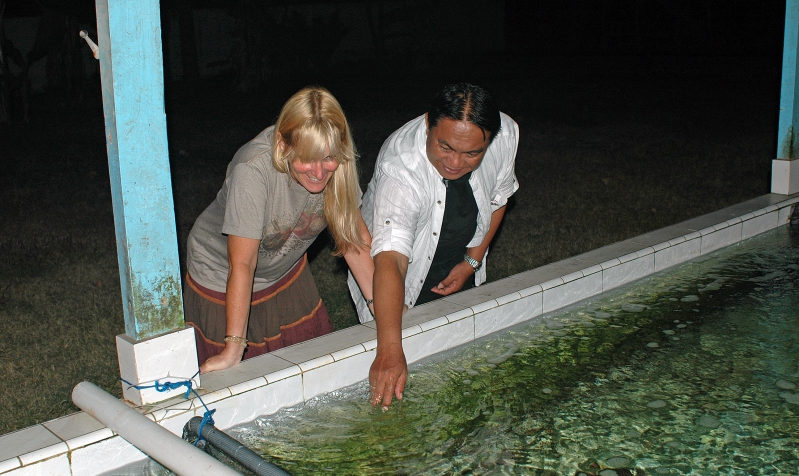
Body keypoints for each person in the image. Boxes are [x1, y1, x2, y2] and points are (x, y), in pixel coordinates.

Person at [348, 82, 519, 408]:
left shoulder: (505, 133)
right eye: (445, 147)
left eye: (472, 153)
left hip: (456, 262)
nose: (455, 162)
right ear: (429, 123)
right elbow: (391, 259)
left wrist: (471, 262)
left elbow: (499, 197)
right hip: (397, 280)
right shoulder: (401, 166)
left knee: (462, 379)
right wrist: (389, 351)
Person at [185, 86, 374, 374]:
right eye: (307, 158)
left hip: (284, 269)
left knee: (312, 370)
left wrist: (382, 307)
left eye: (328, 158)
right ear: (283, 145)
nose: (319, 172)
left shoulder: (340, 166)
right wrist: (234, 347)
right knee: (246, 378)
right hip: (221, 273)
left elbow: (355, 242)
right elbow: (243, 263)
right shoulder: (252, 169)